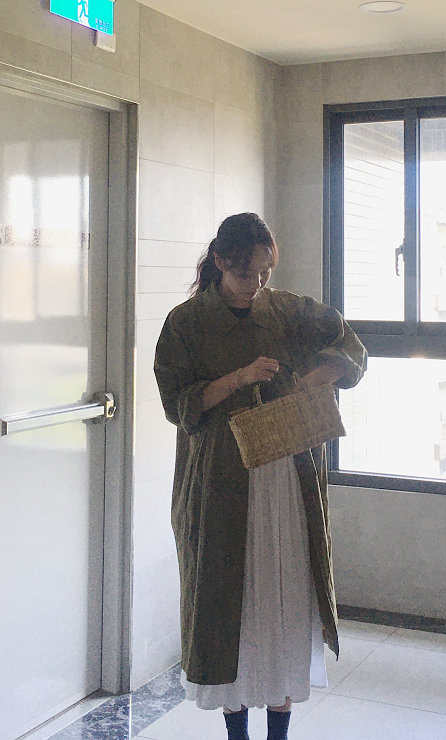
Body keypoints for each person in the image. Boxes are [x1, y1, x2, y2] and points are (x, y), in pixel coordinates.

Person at [154, 213, 367, 740]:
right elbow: (178, 405)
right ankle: (237, 732)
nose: (256, 284)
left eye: (265, 272)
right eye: (245, 274)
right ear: (220, 262)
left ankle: (278, 731)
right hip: (219, 481)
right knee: (230, 605)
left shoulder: (286, 310)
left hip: (285, 479)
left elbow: (350, 346)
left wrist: (318, 376)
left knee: (285, 598)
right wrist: (239, 378)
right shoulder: (186, 323)